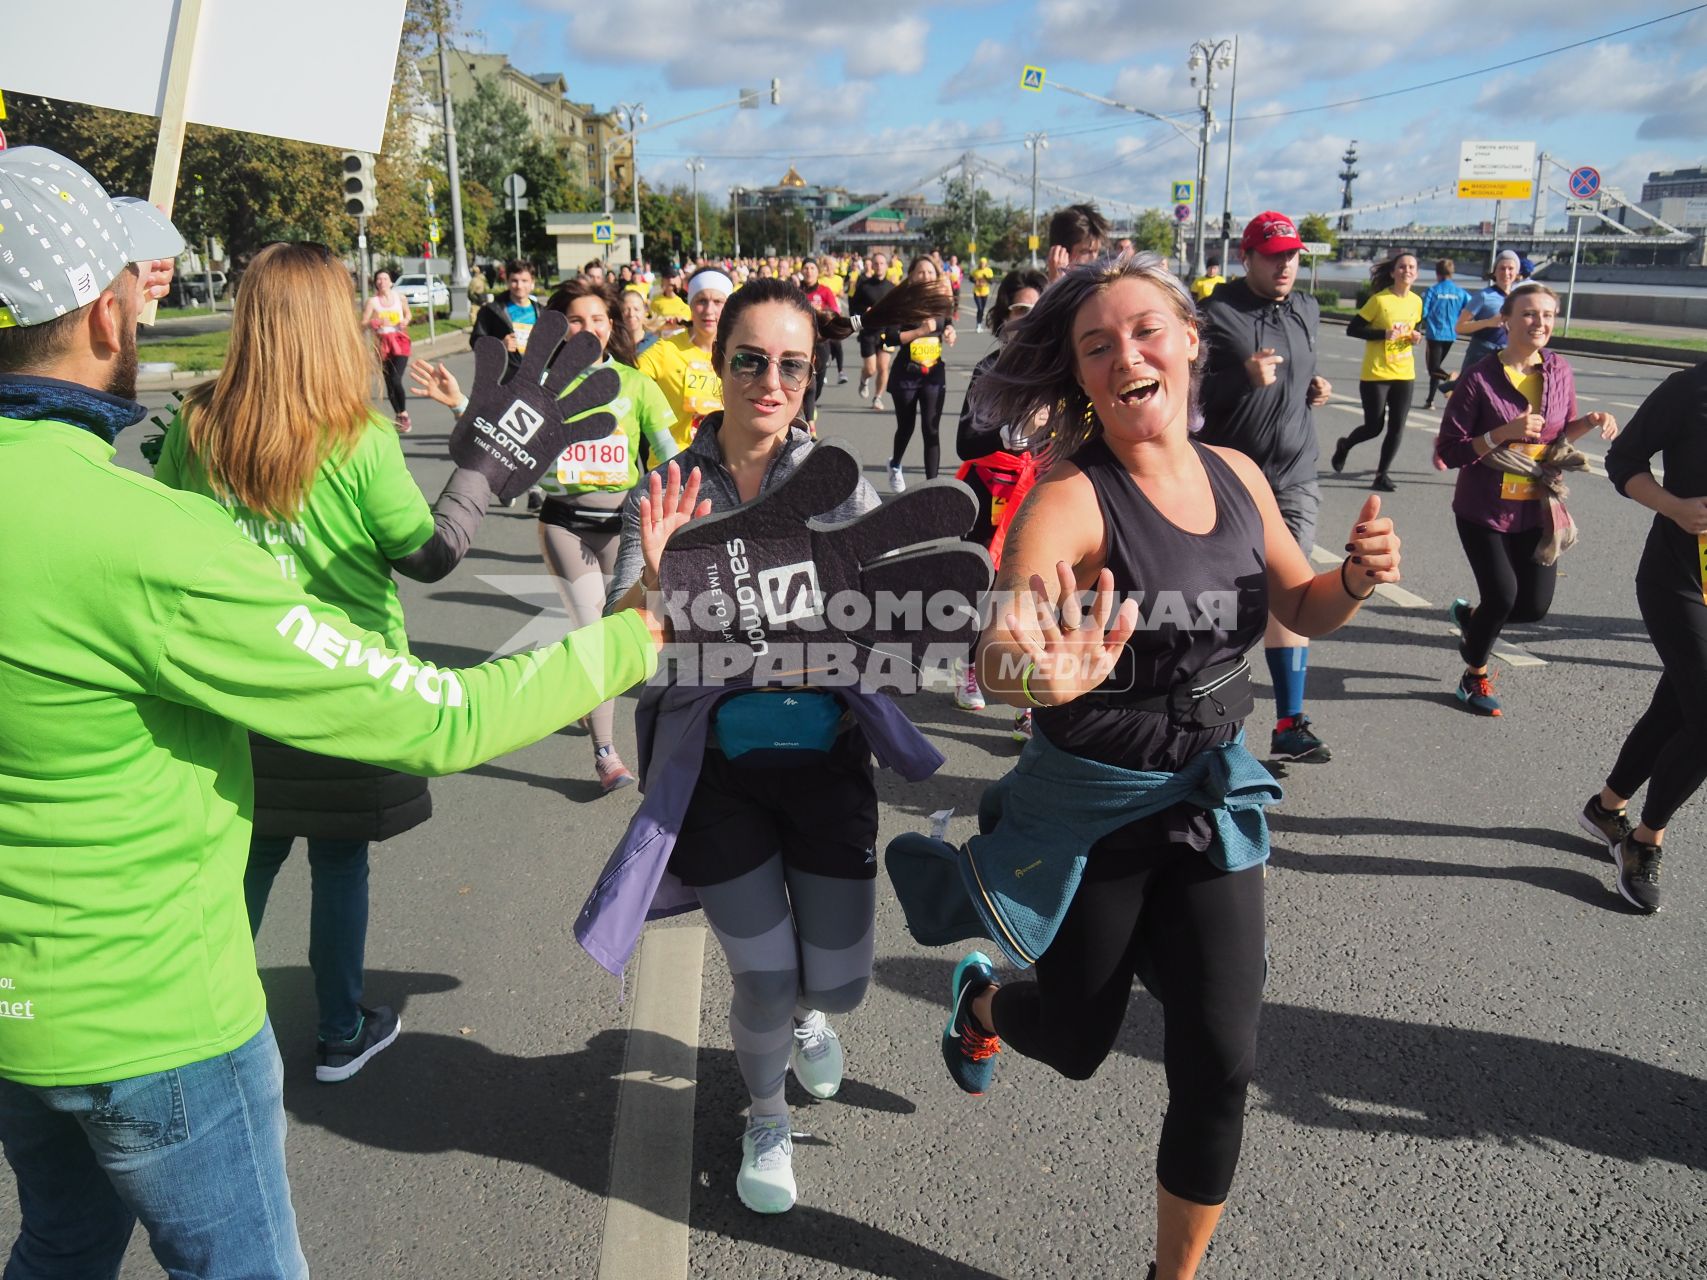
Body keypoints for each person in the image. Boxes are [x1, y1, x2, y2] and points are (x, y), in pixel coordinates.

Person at [0, 147, 670, 1279]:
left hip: (20, 1018)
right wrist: (636, 631)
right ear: (110, 321)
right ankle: (345, 1016)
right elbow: (442, 716)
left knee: (62, 1244)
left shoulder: (176, 454)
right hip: (157, 1022)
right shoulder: (150, 540)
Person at [946, 256, 1402, 1280]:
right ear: (1081, 377)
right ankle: (983, 1001)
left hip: (1207, 791)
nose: (1126, 356)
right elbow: (1005, 632)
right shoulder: (1072, 498)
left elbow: (1302, 605)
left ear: (1196, 341)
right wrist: (1033, 669)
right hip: (1096, 808)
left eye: (1147, 331)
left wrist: (1357, 581)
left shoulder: (1238, 474)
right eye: (1097, 346)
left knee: (1222, 1060)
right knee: (1074, 1040)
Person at [596, 277, 953, 1216]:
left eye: (790, 364)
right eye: (750, 359)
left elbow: (883, 614)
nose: (769, 380)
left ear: (809, 377)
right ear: (717, 366)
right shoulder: (672, 484)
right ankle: (764, 1115)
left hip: (827, 759)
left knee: (835, 979)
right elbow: (623, 633)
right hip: (719, 771)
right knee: (759, 972)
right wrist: (657, 579)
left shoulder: (832, 481)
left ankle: (806, 1013)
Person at [411, 278, 681, 792]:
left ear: (613, 325)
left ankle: (586, 703)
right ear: (559, 329)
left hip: (624, 528)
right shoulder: (541, 390)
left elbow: (671, 455)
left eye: (599, 319)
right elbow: (499, 434)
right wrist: (457, 402)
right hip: (564, 524)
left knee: (627, 629)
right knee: (594, 633)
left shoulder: (637, 384)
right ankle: (606, 754)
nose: (590, 329)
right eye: (577, 320)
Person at [1435, 281, 1618, 717]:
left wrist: (1588, 422)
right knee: (1502, 597)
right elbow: (1449, 450)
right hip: (1483, 508)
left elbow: (1555, 436)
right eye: (1530, 314)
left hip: (1536, 506)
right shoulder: (1479, 378)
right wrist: (1501, 433)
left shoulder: (1559, 371)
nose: (1540, 323)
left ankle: (1473, 618)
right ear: (1507, 320)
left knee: (1533, 608)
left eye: (1548, 315)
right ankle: (1473, 675)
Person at [1197, 212, 1338, 764]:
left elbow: (1299, 374)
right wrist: (1240, 380)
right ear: (1247, 257)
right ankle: (1210, 720)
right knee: (1230, 600)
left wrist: (1313, 388)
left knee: (1292, 588)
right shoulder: (1215, 315)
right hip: (1234, 477)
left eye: (1293, 255)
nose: (1285, 265)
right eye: (1274, 255)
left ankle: (1289, 722)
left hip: (1296, 474)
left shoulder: (1308, 308)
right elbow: (1188, 397)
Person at [1588, 360, 1707, 913]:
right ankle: (1643, 840)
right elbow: (1624, 459)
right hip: (1679, 580)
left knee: (1678, 708)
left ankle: (1607, 807)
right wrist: (1674, 507)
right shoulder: (1690, 388)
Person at [953, 266, 1048, 725]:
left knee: (1033, 590)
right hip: (988, 490)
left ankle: (1027, 697)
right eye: (1018, 311)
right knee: (983, 588)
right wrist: (1006, 437)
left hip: (1041, 492)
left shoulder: (1061, 371)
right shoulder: (989, 369)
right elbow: (964, 440)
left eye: (1035, 311)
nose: (1025, 321)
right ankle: (970, 667)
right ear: (1004, 317)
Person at [1331, 249, 1423, 492]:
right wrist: (1382, 334)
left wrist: (1416, 337)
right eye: (1402, 267)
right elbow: (1353, 329)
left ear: (1417, 274)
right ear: (1393, 273)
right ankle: (1345, 445)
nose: (1407, 271)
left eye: (1411, 267)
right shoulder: (1380, 300)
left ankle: (1381, 475)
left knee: (1397, 427)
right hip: (1376, 373)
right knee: (1374, 427)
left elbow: (1415, 328)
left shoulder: (1416, 301)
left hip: (1405, 373)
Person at [638, 266, 730, 449]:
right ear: (690, 304)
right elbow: (628, 382)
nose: (709, 310)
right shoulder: (666, 350)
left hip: (721, 464)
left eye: (718, 301)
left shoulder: (736, 352)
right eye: (701, 301)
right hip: (673, 463)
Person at [886, 256, 957, 491]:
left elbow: (947, 322)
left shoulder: (940, 301)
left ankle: (932, 487)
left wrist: (949, 331)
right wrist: (920, 331)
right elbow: (890, 337)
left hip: (933, 373)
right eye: (920, 272)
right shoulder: (902, 303)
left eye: (930, 272)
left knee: (931, 428)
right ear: (912, 275)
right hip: (906, 373)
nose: (925, 276)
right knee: (906, 426)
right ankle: (895, 465)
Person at [1453, 249, 1522, 381]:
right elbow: (1459, 327)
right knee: (1469, 394)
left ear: (1517, 272)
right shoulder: (1483, 296)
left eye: (1510, 269)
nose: (1506, 273)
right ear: (1495, 271)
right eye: (1502, 268)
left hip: (1507, 354)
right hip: (1481, 352)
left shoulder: (1519, 297)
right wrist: (1488, 322)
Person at [363, 270, 415, 432]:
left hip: (399, 342)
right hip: (382, 344)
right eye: (378, 279)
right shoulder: (372, 302)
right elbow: (362, 323)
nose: (382, 281)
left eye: (385, 278)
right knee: (389, 382)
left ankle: (404, 414)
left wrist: (405, 321)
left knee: (395, 378)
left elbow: (408, 314)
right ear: (376, 283)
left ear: (391, 282)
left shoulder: (400, 298)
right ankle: (399, 415)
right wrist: (375, 322)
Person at [471, 257, 542, 373]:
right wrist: (500, 345)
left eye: (524, 281)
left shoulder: (541, 311)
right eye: (514, 280)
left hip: (534, 376)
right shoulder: (491, 311)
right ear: (507, 282)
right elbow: (476, 342)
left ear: (532, 283)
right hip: (505, 377)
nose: (519, 286)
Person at [1420, 258, 1470, 410]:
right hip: (1451, 334)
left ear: (1437, 273)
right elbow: (1470, 309)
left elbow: (1423, 312)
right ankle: (1430, 400)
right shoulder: (1461, 293)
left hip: (1435, 334)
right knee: (1436, 368)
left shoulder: (1432, 291)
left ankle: (1450, 379)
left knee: (1433, 369)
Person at [851, 250, 897, 410]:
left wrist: (895, 331)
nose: (879, 266)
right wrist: (864, 311)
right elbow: (853, 308)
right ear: (872, 265)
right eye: (876, 263)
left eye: (882, 263)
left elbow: (897, 311)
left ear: (887, 266)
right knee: (871, 368)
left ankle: (877, 397)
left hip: (886, 332)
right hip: (869, 332)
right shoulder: (864, 286)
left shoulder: (892, 288)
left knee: (883, 367)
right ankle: (864, 379)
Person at [1046, 203, 1110, 282]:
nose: (1094, 259)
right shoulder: (1034, 291)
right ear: (1060, 254)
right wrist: (1056, 282)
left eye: (1096, 251)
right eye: (1086, 251)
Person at [622, 285, 661, 359]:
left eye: (636, 309)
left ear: (645, 311)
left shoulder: (655, 344)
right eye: (626, 310)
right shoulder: (614, 346)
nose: (631, 314)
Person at [651, 265, 692, 330]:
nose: (670, 280)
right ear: (662, 281)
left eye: (673, 276)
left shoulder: (689, 298)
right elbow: (652, 324)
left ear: (679, 279)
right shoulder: (655, 302)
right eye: (667, 277)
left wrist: (683, 321)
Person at [972, 256, 996, 331]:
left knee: (982, 309)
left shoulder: (989, 271)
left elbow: (991, 281)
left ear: (986, 264)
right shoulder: (976, 271)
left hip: (985, 292)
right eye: (981, 263)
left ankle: (980, 323)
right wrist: (975, 281)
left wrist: (986, 278)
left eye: (984, 263)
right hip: (977, 291)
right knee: (979, 308)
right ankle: (978, 324)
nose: (982, 264)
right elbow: (971, 278)